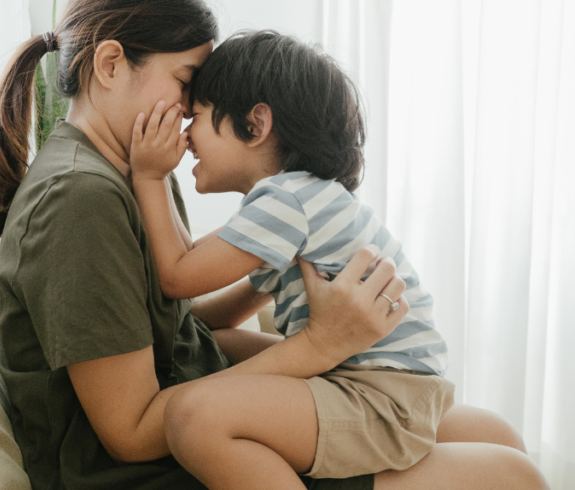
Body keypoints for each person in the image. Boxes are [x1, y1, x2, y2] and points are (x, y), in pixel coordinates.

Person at [0, 0, 548, 490]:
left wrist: (269, 277)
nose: (191, 115)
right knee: (511, 474)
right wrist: (321, 344)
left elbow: (166, 324)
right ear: (111, 64)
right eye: (185, 82)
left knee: (495, 433)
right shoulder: (80, 199)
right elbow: (129, 432)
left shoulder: (137, 166)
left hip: (205, 403)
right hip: (155, 465)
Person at [129, 30, 457, 489]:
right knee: (218, 345)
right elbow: (196, 276)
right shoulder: (300, 200)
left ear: (255, 124)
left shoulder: (283, 202)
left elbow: (178, 277)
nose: (186, 136)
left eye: (197, 117)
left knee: (194, 418)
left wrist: (148, 175)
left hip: (380, 393)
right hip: (390, 381)